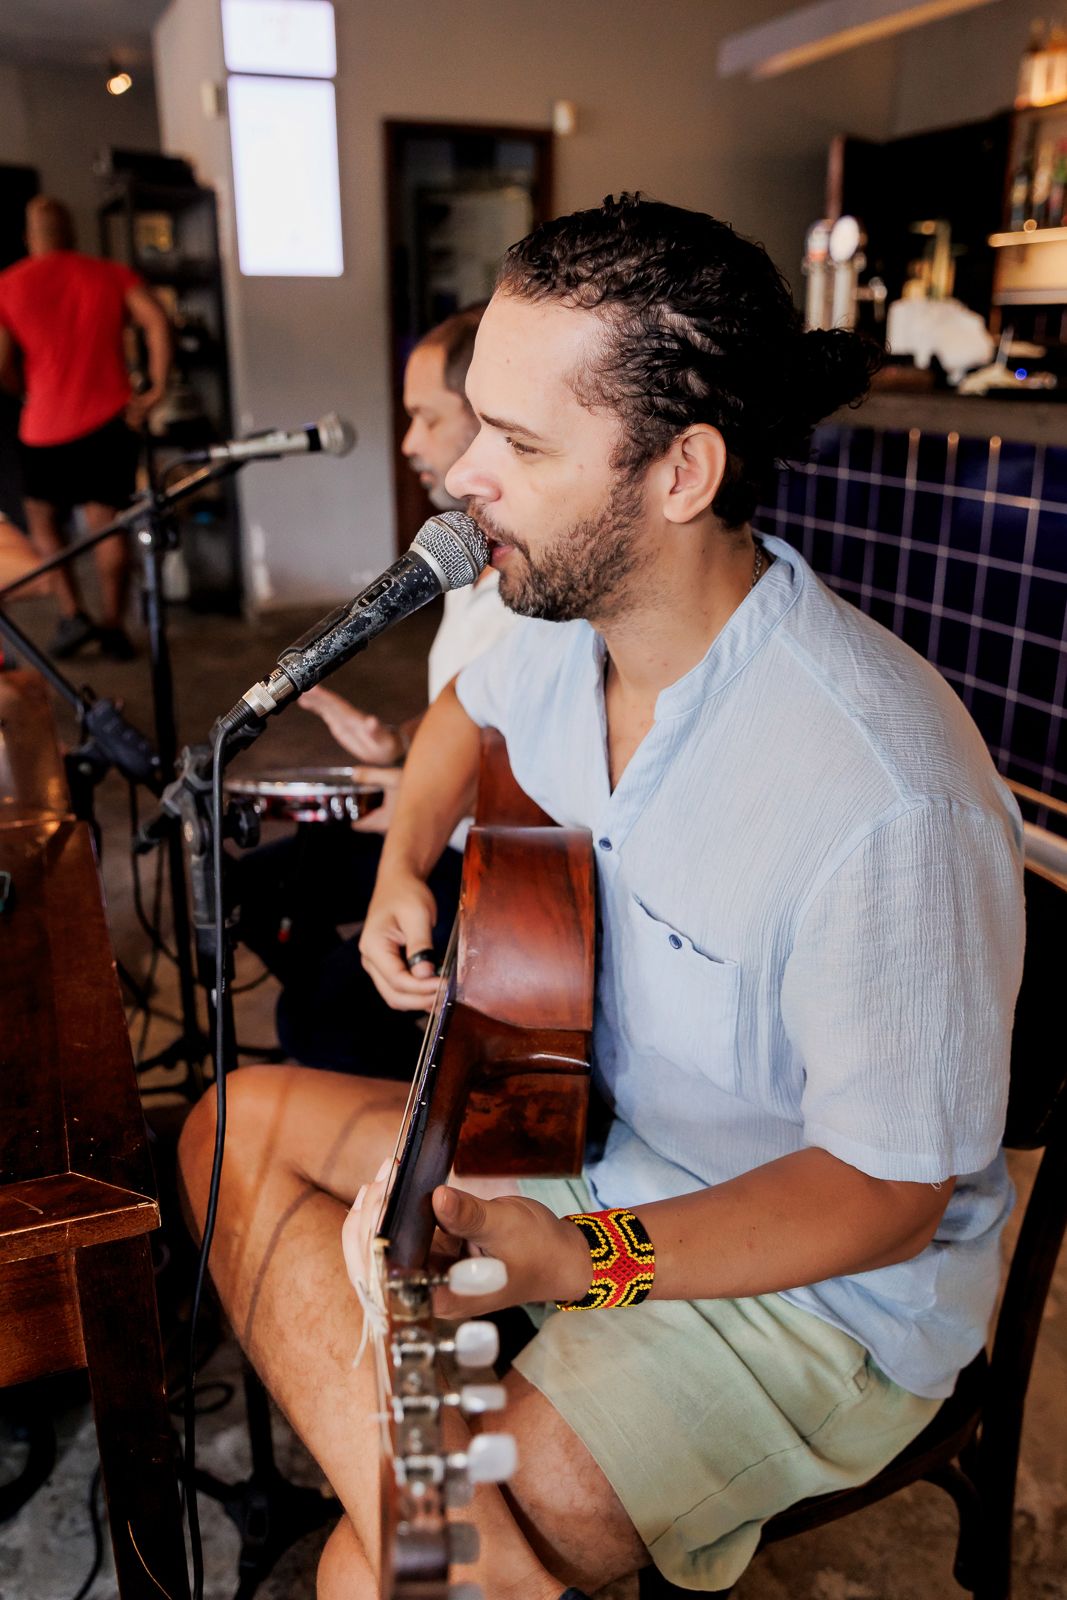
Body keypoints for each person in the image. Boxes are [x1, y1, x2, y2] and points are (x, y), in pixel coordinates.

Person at [178, 196, 1024, 1600]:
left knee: (374, 1583)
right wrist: (399, 862)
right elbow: (458, 714)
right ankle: (448, 1534)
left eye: (515, 444)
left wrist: (575, 1258)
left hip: (808, 1298)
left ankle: (428, 1545)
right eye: (473, 427)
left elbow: (882, 1194)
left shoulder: (882, 797)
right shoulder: (542, 624)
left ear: (679, 471)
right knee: (225, 1131)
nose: (461, 484)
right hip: (592, 1139)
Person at [229, 304, 517, 1074]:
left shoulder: (546, 590)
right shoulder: (469, 556)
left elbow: (547, 784)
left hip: (488, 861)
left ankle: (394, 1050)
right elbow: (470, 708)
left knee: (312, 1021)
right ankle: (392, 1026)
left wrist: (412, 791)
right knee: (248, 885)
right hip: (434, 818)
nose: (410, 446)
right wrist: (401, 744)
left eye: (427, 417)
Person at [0, 196, 172, 659]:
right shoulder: (109, 274)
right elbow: (157, 322)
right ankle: (114, 627)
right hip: (109, 420)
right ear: (71, 232)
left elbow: (1, 363)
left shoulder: (8, 285)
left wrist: (22, 388)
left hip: (43, 426)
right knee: (108, 526)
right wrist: (155, 389)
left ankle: (72, 614)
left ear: (28, 237)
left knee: (44, 525)